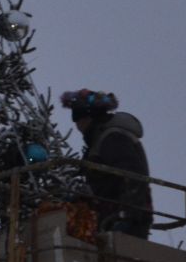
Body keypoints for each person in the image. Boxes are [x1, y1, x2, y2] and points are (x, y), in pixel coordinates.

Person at [61, 88, 152, 238]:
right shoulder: (99, 139)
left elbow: (133, 175)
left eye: (78, 118)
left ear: (90, 116)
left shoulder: (112, 138)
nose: (77, 125)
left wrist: (127, 216)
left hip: (125, 219)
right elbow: (104, 183)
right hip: (109, 215)